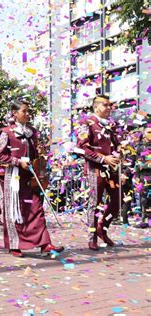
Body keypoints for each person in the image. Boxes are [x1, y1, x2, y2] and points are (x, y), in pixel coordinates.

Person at [0, 100, 64, 257]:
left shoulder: (33, 132)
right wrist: (18, 162)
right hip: (14, 177)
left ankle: (45, 244)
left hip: (31, 177)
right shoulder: (6, 132)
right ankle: (14, 244)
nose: (27, 114)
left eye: (28, 111)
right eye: (24, 111)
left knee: (37, 208)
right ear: (14, 113)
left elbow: (35, 155)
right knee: (14, 210)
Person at [76, 95, 123, 250]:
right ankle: (92, 237)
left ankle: (102, 228)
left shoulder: (111, 125)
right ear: (96, 107)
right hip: (95, 169)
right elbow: (82, 148)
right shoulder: (86, 123)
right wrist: (103, 159)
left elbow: (116, 146)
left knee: (117, 201)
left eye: (111, 105)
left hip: (112, 169)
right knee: (94, 203)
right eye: (105, 105)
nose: (109, 107)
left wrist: (119, 153)